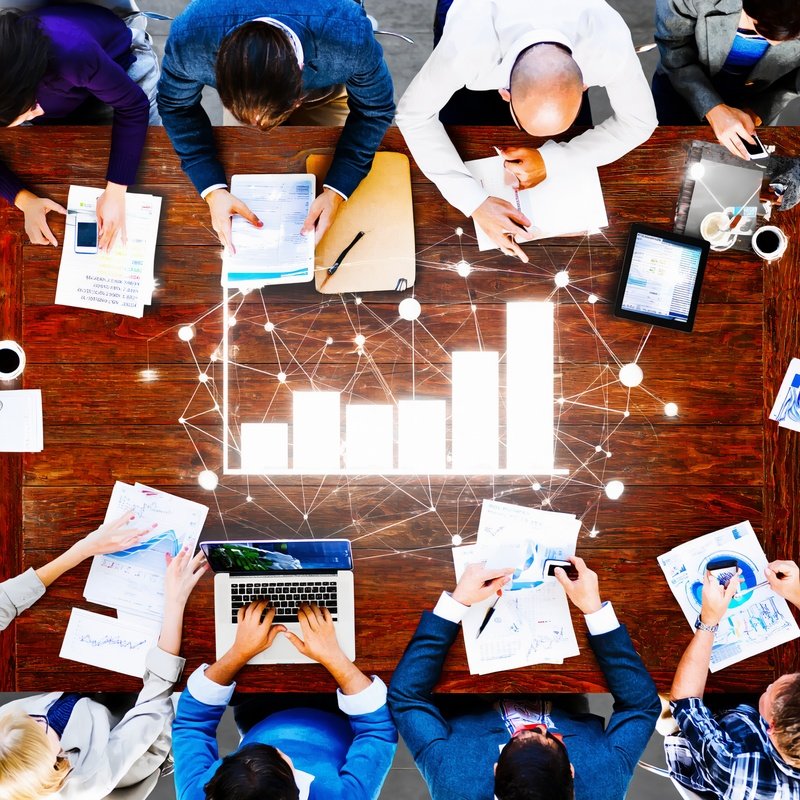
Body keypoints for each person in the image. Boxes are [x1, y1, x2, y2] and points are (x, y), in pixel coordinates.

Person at [396, 0, 657, 262]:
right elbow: (413, 115)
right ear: (504, 93)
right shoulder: (465, 47)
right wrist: (473, 201)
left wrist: (553, 160)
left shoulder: (608, 44)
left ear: (584, 85)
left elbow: (640, 122)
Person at [388, 557, 660, 800]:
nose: (536, 726)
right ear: (572, 771)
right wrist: (595, 613)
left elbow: (407, 698)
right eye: (549, 736)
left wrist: (455, 604)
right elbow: (641, 706)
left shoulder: (453, 782)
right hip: (561, 685)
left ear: (495, 771)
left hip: (469, 690)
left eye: (517, 737)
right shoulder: (606, 784)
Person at [157, 0, 395, 254]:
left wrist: (338, 189)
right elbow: (175, 105)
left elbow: (374, 109)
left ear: (298, 96)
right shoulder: (191, 37)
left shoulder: (348, 37)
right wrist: (212, 188)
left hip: (325, 87)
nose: (258, 125)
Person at [0, 512, 207, 800]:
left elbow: (3, 604)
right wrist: (175, 599)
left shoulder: (8, 730)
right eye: (40, 726)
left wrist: (84, 548)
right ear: (55, 759)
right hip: (140, 732)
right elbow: (155, 703)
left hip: (87, 699)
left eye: (28, 719)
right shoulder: (88, 780)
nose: (35, 716)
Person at [172, 600, 397, 800]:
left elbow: (191, 725)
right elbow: (378, 730)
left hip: (260, 712)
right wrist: (333, 656)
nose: (278, 747)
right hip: (341, 711)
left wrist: (238, 652)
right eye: (278, 755)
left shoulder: (200, 793)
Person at [0, 3, 161, 250]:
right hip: (68, 93)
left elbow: (133, 105)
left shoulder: (71, 52)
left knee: (152, 164)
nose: (35, 114)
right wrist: (23, 199)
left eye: (29, 109)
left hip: (120, 68)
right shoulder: (27, 95)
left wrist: (116, 191)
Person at [665, 559, 800, 798]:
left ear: (771, 728)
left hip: (705, 741)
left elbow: (684, 701)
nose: (770, 685)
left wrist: (709, 620)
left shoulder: (738, 769)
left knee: (658, 688)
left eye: (771, 692)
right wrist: (797, 591)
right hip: (745, 717)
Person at [654, 0, 800, 160]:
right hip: (681, 88)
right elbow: (673, 48)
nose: (776, 43)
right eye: (763, 28)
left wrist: (759, 111)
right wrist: (711, 107)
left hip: (762, 96)